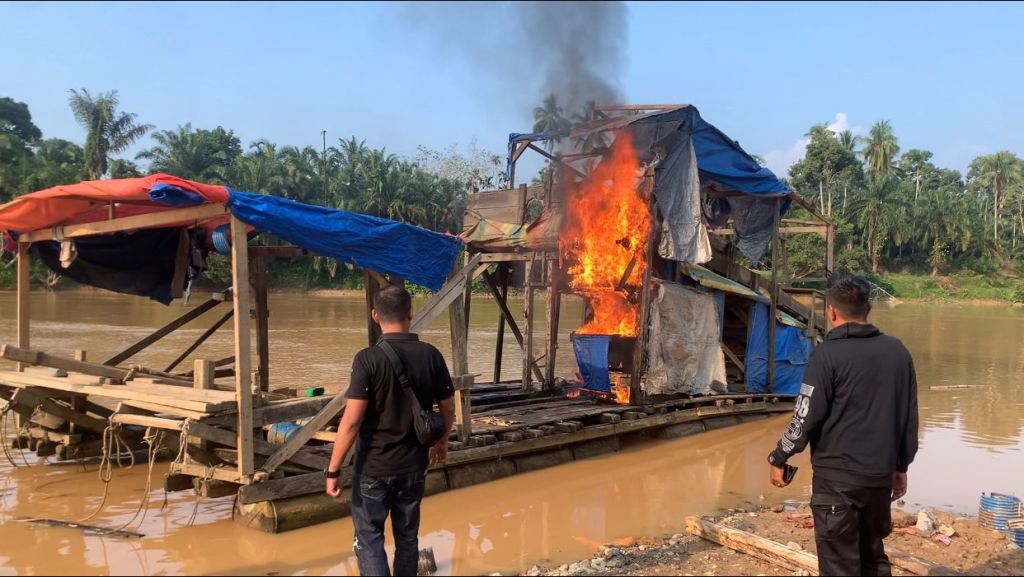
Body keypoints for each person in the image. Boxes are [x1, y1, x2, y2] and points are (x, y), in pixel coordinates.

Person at [767, 274, 919, 577]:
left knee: (839, 567)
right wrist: (900, 466)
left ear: (832, 312)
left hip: (836, 483)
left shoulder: (827, 355)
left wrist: (779, 456)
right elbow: (908, 418)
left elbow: (805, 415)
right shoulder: (897, 352)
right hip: (878, 480)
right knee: (873, 559)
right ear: (868, 309)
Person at [325, 285, 456, 576]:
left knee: (369, 540)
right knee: (407, 539)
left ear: (375, 315)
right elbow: (447, 409)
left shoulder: (367, 359)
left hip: (373, 468)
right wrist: (442, 441)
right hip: (413, 467)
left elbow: (352, 422)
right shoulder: (431, 355)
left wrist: (333, 470)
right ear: (411, 313)